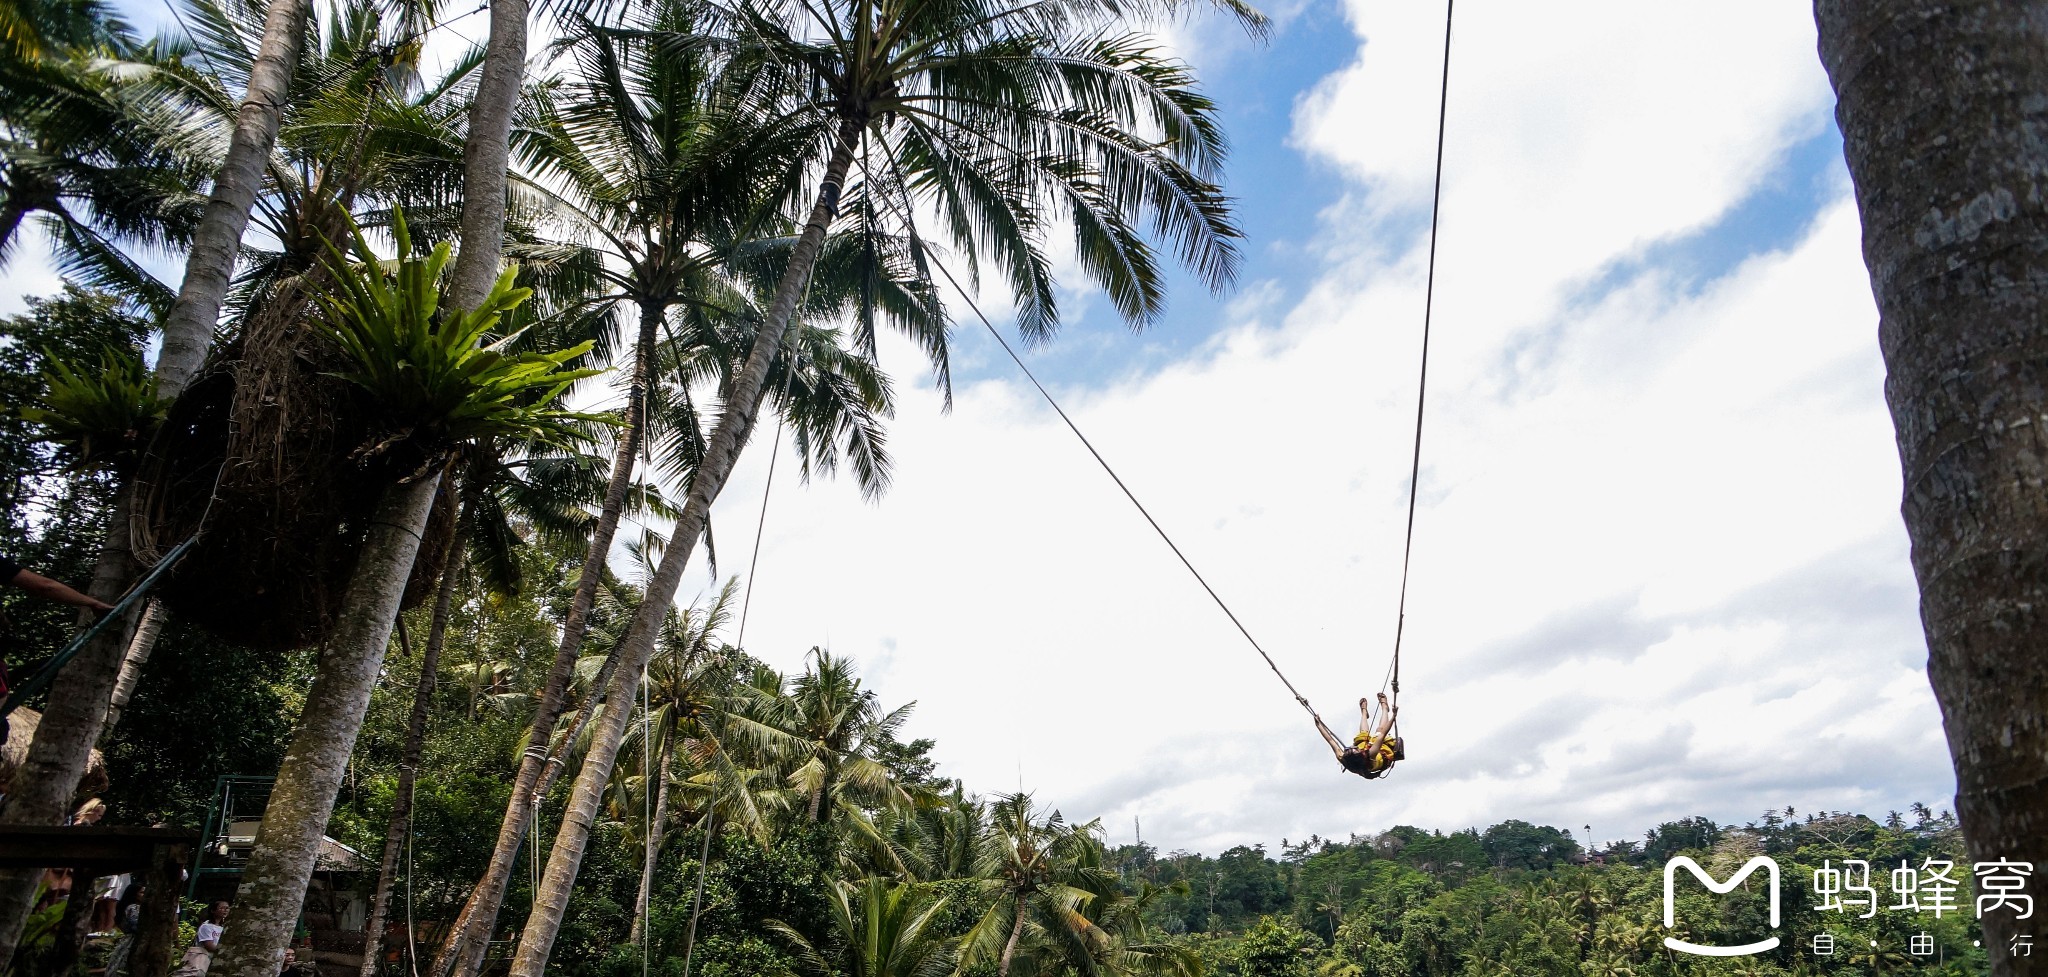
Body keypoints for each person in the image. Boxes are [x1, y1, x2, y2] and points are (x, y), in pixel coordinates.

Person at [1316, 692, 1403, 780]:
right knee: (1379, 731)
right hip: (1381, 756)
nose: (1352, 747)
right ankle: (1385, 708)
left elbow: (1330, 740)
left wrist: (1318, 725)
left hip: (1360, 758)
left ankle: (1364, 713)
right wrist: (1394, 716)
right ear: (1361, 754)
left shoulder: (1343, 757)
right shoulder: (1371, 755)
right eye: (1355, 749)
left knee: (1362, 737)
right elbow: (1383, 733)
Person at [171, 901, 229, 977]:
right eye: (221, 908)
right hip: (204, 958)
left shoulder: (226, 928)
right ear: (213, 910)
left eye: (227, 908)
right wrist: (225, 950)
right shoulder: (206, 926)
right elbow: (209, 945)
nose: (225, 910)